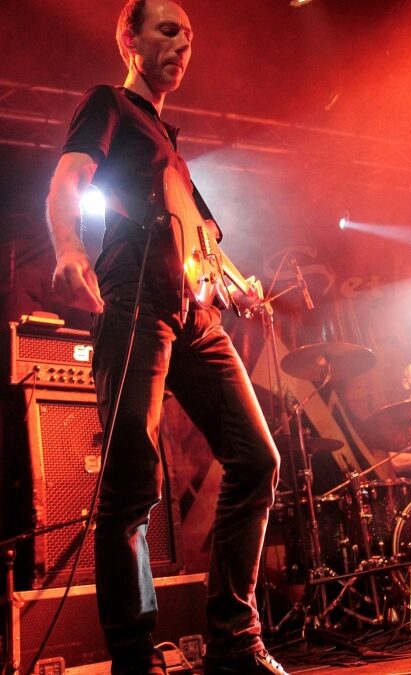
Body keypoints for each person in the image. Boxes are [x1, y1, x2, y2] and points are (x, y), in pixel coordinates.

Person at [46, 2, 287, 673]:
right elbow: (67, 180)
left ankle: (234, 642)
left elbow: (203, 244)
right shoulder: (111, 105)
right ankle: (134, 657)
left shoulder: (171, 150)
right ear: (130, 38)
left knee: (257, 459)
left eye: (190, 35)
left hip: (195, 318)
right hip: (136, 301)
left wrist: (238, 286)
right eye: (168, 30)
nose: (183, 44)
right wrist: (68, 246)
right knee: (131, 482)